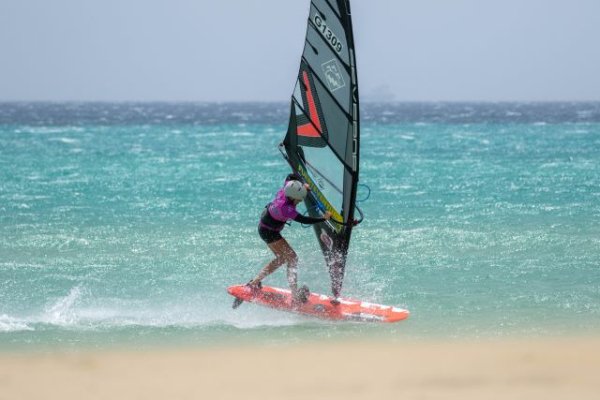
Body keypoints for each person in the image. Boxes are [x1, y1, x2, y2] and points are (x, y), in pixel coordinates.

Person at [233, 173, 332, 309]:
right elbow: (304, 219)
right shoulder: (286, 209)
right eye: (298, 200)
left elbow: (291, 176)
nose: (299, 202)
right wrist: (324, 218)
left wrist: (302, 185)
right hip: (269, 231)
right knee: (292, 258)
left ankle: (254, 282)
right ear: (292, 198)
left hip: (265, 228)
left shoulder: (287, 188)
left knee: (282, 259)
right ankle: (294, 296)